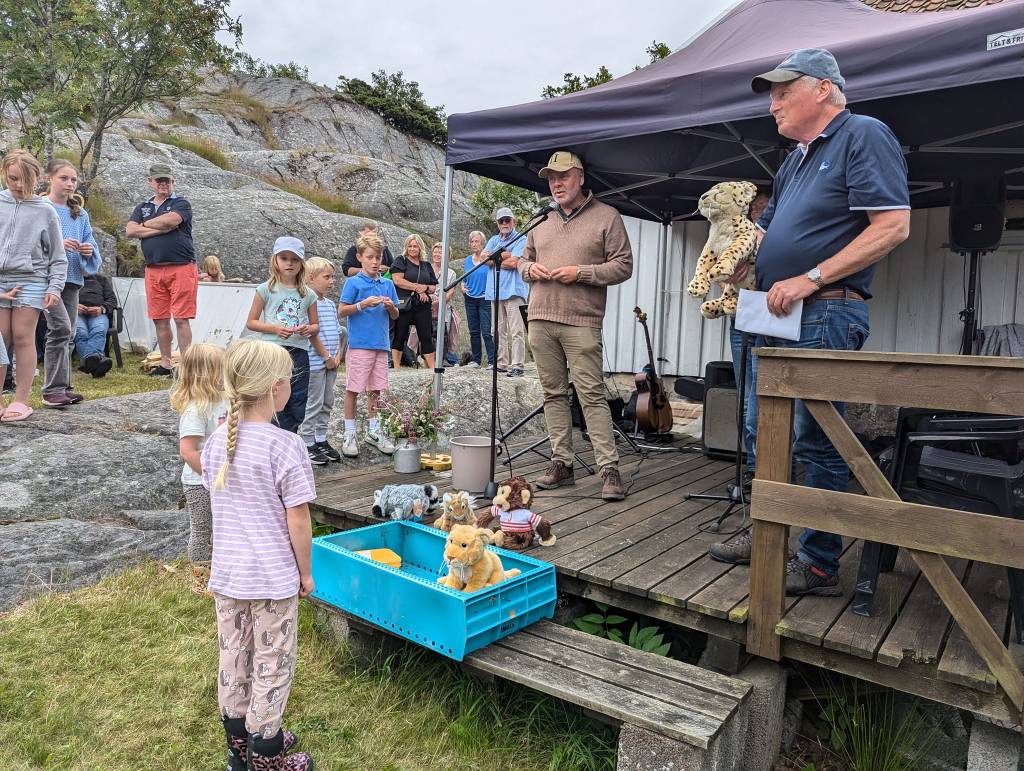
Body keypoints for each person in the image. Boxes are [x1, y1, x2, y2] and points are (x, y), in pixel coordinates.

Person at [707, 49, 911, 597]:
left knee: (814, 438)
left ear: (822, 89)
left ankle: (818, 562)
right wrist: (734, 261)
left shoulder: (862, 134)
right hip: (768, 310)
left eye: (783, 92)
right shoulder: (794, 160)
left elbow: (892, 226)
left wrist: (810, 277)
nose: (772, 104)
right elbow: (765, 233)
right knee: (758, 429)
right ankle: (767, 532)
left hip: (824, 308)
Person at [202, 338, 315, 771]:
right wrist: (306, 573)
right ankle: (266, 754)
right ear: (275, 388)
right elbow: (298, 519)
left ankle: (238, 750)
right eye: (289, 379)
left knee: (234, 655)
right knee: (273, 662)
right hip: (271, 578)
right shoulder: (286, 445)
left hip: (229, 575)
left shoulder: (216, 442)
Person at [517, 151, 633, 500]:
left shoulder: (607, 216)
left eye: (563, 176)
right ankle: (562, 463)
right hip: (540, 317)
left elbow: (623, 265)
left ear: (580, 178)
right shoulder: (540, 219)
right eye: (551, 178)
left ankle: (609, 469)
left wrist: (581, 273)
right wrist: (528, 269)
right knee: (553, 394)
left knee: (591, 395)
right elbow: (523, 260)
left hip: (581, 320)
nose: (556, 183)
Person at [0, 150, 67, 423]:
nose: (18, 185)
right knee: (1, 337)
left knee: (22, 336)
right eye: (13, 178)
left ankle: (20, 400)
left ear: (37, 178)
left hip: (32, 280)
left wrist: (54, 288)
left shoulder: (45, 210)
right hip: (0, 282)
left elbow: (58, 256)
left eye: (25, 180)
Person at [125, 162, 197, 377]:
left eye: (167, 180)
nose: (163, 184)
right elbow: (130, 231)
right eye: (159, 180)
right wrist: (159, 227)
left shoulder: (181, 203)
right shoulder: (142, 207)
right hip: (154, 269)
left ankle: (186, 365)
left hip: (181, 266)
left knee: (181, 318)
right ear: (151, 182)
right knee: (160, 318)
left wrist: (144, 226)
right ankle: (166, 363)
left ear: (173, 181)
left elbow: (172, 221)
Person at [42, 159, 102, 406]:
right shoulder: (41, 208)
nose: (69, 184)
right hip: (47, 279)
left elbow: (91, 243)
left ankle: (63, 387)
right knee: (60, 329)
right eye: (63, 178)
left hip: (73, 278)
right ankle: (51, 390)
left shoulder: (80, 213)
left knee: (69, 333)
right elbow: (33, 243)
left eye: (73, 179)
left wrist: (88, 250)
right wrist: (58, 245)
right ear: (49, 178)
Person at [245, 236, 319, 433]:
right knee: (272, 391)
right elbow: (251, 322)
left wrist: (308, 329)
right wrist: (275, 329)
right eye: (284, 258)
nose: (289, 263)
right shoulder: (265, 289)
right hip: (273, 349)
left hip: (299, 350)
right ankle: (268, 432)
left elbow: (315, 326)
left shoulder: (308, 294)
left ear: (301, 264)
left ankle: (291, 434)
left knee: (297, 395)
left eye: (294, 259)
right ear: (275, 261)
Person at [170, 342, 228, 594]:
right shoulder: (196, 409)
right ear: (206, 374)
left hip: (223, 479)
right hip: (199, 482)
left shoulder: (225, 401)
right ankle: (201, 579)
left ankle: (221, 573)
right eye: (221, 369)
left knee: (222, 527)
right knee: (202, 528)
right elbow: (188, 450)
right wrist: (209, 475)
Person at [339, 233, 399, 458]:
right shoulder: (353, 282)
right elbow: (342, 310)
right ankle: (349, 433)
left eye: (378, 257)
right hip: (360, 345)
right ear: (360, 257)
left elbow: (395, 315)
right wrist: (362, 304)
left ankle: (374, 430)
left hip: (381, 345)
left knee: (376, 389)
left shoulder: (387, 284)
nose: (375, 262)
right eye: (370, 257)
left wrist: (391, 307)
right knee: (353, 389)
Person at [299, 257, 343, 466]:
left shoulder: (330, 304)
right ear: (310, 278)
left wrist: (337, 355)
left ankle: (320, 438)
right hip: (317, 362)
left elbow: (337, 331)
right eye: (327, 277)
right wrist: (326, 356)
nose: (331, 281)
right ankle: (307, 442)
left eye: (332, 277)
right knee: (314, 403)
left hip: (331, 362)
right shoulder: (308, 302)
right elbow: (311, 334)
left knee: (327, 401)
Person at [484, 207, 529, 377]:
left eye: (507, 220)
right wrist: (505, 255)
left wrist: (494, 258)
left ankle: (517, 365)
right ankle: (501, 363)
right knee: (496, 330)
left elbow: (515, 263)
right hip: (495, 291)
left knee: (516, 330)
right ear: (497, 223)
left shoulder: (521, 239)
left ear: (513, 221)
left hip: (514, 291)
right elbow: (483, 258)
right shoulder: (493, 239)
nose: (504, 223)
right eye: (501, 221)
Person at [390, 234, 436, 370]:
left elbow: (433, 287)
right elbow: (397, 280)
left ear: (420, 247)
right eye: (410, 246)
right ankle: (396, 367)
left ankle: (432, 368)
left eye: (415, 246)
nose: (412, 249)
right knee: (400, 334)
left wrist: (424, 288)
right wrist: (417, 288)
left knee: (426, 336)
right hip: (405, 303)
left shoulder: (426, 265)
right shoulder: (401, 261)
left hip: (423, 305)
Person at [74, 271, 117, 377]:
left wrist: (101, 309)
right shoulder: (71, 279)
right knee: (80, 332)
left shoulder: (101, 279)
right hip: (76, 314)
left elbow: (112, 300)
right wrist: (74, 307)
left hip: (98, 314)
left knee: (99, 329)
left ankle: (88, 362)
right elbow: (63, 299)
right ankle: (96, 366)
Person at [461, 230, 494, 367]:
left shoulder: (488, 259)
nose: (474, 244)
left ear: (483, 243)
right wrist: (462, 286)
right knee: (473, 331)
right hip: (470, 298)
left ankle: (492, 361)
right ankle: (476, 360)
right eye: (472, 241)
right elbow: (464, 278)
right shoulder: (468, 260)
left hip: (485, 298)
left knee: (487, 331)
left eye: (477, 241)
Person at [430, 241, 459, 366]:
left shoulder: (451, 273)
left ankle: (442, 359)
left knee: (443, 333)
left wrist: (438, 303)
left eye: (440, 252)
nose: (437, 254)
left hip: (442, 307)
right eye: (435, 252)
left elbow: (450, 293)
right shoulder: (426, 268)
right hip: (426, 305)